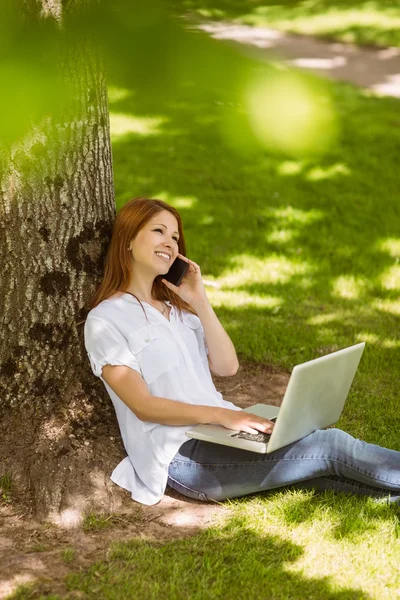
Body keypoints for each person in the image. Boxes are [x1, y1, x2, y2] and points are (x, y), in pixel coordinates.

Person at [84, 197, 400, 506]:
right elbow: (143, 406)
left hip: (219, 432)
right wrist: (225, 416)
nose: (170, 242)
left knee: (322, 465)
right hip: (183, 457)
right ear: (127, 239)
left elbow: (227, 366)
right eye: (158, 231)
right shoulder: (107, 319)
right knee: (331, 445)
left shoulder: (178, 311)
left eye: (175, 236)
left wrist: (200, 301)